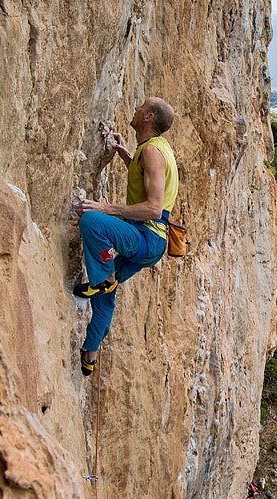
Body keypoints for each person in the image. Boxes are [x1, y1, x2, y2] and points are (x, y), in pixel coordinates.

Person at [75, 97, 178, 376]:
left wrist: (105, 208)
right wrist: (124, 154)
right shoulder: (154, 149)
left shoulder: (153, 153)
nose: (136, 108)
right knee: (105, 295)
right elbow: (146, 176)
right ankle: (90, 353)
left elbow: (154, 208)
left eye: (141, 107)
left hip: (147, 237)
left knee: (93, 221)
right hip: (151, 241)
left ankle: (106, 276)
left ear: (148, 117)